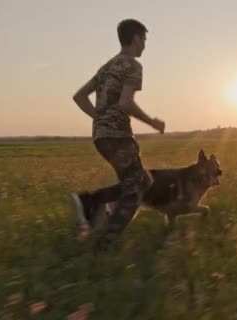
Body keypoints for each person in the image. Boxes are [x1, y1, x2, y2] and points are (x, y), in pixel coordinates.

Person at [71, 19, 165, 250]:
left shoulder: (107, 66)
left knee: (141, 180)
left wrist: (99, 118)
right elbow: (125, 103)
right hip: (118, 136)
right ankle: (104, 242)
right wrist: (152, 122)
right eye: (144, 39)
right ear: (135, 38)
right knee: (135, 190)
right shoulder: (132, 65)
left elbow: (79, 96)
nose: (144, 45)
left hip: (101, 137)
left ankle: (90, 202)